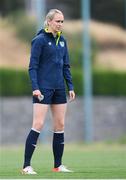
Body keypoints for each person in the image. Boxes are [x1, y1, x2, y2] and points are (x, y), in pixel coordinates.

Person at [22, 9, 75, 175]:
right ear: (49, 22)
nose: (60, 24)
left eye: (62, 21)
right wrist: (35, 87)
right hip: (43, 88)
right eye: (58, 21)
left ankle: (58, 165)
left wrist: (70, 86)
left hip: (59, 88)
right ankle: (26, 166)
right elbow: (33, 67)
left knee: (60, 125)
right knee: (38, 124)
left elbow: (66, 65)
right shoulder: (39, 40)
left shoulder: (63, 40)